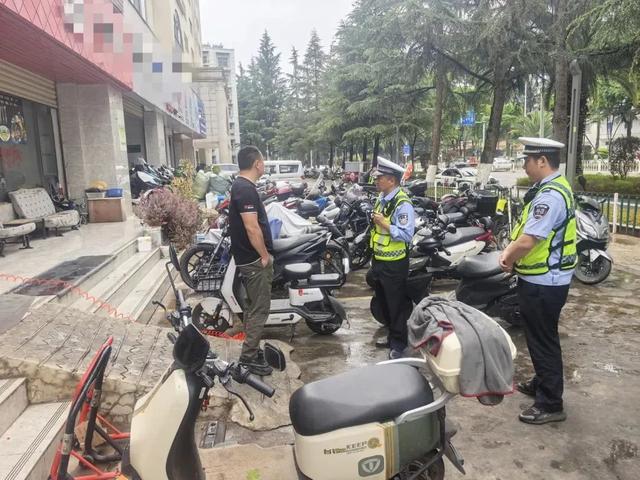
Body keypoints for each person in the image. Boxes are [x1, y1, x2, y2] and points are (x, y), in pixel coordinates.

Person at [499, 137, 577, 425]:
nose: (524, 166)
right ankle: (543, 382)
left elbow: (529, 240)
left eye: (527, 161)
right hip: (545, 278)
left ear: (542, 161)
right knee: (540, 336)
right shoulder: (554, 187)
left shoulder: (550, 196)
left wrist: (508, 257)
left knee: (543, 340)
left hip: (545, 282)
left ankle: (551, 403)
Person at [229, 146, 274, 376]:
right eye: (263, 161)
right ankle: (248, 358)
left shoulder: (241, 186)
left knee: (251, 307)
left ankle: (252, 348)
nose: (264, 165)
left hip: (247, 258)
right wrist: (264, 255)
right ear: (257, 164)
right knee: (259, 309)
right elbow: (251, 227)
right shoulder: (245, 189)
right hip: (254, 260)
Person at [366, 157, 416, 359]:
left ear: (392, 180)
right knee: (384, 303)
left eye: (380, 178)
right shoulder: (382, 198)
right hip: (379, 261)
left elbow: (406, 234)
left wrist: (385, 224)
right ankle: (391, 336)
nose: (376, 181)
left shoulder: (402, 203)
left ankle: (399, 345)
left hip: (395, 264)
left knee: (396, 306)